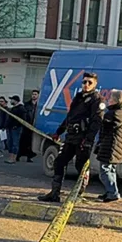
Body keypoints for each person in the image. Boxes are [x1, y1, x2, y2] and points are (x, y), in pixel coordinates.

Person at [38, 72, 104, 202]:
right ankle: (55, 193)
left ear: (95, 84)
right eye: (84, 82)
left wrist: (88, 140)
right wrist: (58, 131)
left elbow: (96, 122)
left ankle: (78, 195)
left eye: (89, 82)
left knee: (81, 167)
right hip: (71, 137)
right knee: (59, 162)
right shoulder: (78, 97)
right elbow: (70, 117)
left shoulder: (97, 100)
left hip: (83, 139)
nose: (86, 85)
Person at [95, 89, 122, 202]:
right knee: (111, 170)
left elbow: (106, 128)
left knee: (104, 171)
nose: (109, 100)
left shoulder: (113, 113)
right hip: (118, 147)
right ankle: (110, 192)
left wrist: (101, 115)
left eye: (111, 98)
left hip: (111, 146)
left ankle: (112, 193)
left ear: (117, 101)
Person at [17, 90, 40, 162]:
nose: (34, 95)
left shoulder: (39, 105)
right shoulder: (27, 104)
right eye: (33, 94)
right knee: (23, 141)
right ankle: (19, 155)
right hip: (27, 126)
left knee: (31, 142)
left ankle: (29, 157)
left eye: (35, 94)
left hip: (35, 126)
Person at [5, 96, 27, 164]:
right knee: (10, 143)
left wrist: (16, 125)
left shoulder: (21, 108)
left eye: (12, 100)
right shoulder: (13, 108)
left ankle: (14, 158)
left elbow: (23, 119)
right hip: (10, 128)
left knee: (15, 143)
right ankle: (10, 157)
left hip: (16, 128)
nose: (11, 101)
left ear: (16, 100)